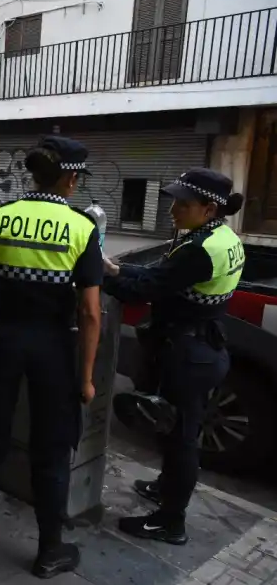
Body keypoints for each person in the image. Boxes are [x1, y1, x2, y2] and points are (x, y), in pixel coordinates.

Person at [0, 136, 103, 578]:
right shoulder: (82, 227)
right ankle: (50, 549)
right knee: (52, 449)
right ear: (70, 179)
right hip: (53, 350)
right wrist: (86, 376)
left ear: (32, 174)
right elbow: (90, 312)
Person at [101, 169, 244, 545]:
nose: (173, 210)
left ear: (209, 208)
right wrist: (120, 268)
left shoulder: (199, 250)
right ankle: (164, 487)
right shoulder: (222, 236)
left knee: (182, 439)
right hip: (204, 347)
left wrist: (102, 275)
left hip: (189, 354)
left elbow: (144, 290)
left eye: (183, 204)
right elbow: (159, 275)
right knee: (176, 429)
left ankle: (170, 521)